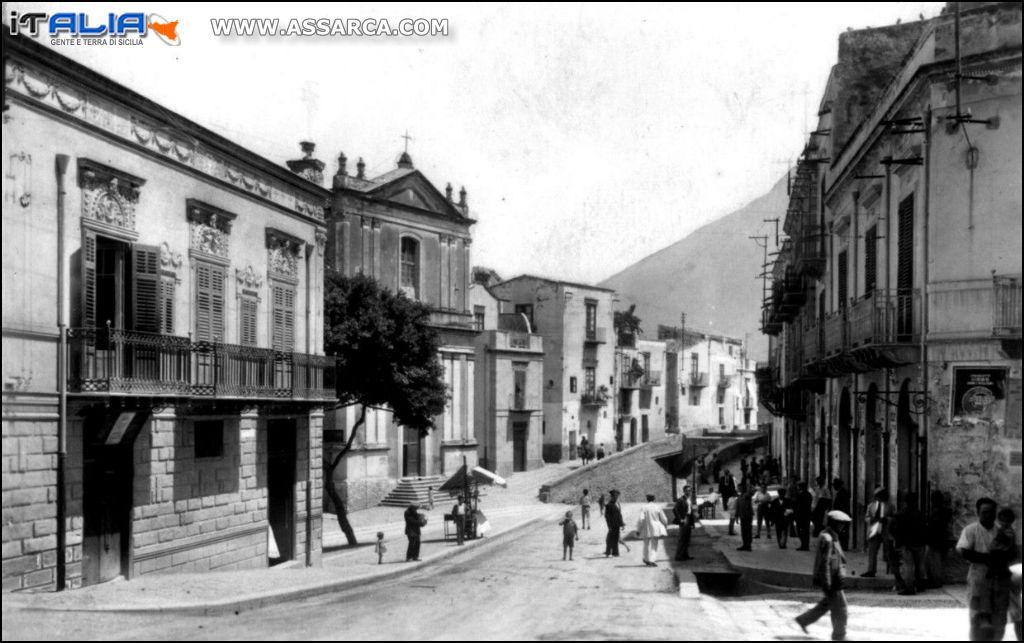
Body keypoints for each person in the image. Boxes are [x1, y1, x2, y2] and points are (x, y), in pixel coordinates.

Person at [957, 497, 1011, 641]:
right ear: (978, 512)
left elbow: (1012, 553)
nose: (989, 515)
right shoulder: (970, 530)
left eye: (992, 512)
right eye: (985, 512)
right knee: (977, 619)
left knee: (999, 620)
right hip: (978, 581)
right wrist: (989, 558)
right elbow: (964, 552)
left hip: (999, 582)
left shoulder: (1002, 531)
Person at [795, 510, 852, 641]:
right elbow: (825, 562)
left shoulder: (832, 536)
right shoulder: (827, 538)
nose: (843, 527)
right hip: (831, 580)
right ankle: (839, 635)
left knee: (827, 605)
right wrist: (828, 583)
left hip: (834, 578)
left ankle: (803, 620)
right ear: (834, 524)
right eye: (841, 524)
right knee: (841, 610)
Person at [891, 491, 928, 595]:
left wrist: (898, 539)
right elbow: (925, 528)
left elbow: (893, 529)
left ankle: (909, 588)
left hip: (907, 543)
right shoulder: (920, 514)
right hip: (919, 542)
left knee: (908, 566)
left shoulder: (900, 514)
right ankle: (920, 585)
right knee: (920, 565)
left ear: (905, 501)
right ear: (916, 501)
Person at [863, 488, 895, 579]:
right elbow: (867, 517)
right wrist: (871, 520)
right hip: (874, 529)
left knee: (889, 550)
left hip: (885, 529)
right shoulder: (871, 506)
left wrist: (887, 520)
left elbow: (894, 517)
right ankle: (871, 570)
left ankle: (892, 569)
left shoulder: (890, 506)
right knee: (872, 550)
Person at [925, 489, 953, 589]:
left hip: (936, 539)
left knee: (935, 562)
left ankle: (936, 581)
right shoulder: (946, 511)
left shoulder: (937, 512)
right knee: (938, 561)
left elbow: (934, 526)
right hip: (942, 538)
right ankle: (936, 580)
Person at [636, 494, 669, 567]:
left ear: (647, 499)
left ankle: (646, 559)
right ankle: (652, 560)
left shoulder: (644, 507)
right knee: (654, 545)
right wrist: (665, 526)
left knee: (646, 544)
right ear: (654, 499)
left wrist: (638, 530)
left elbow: (641, 519)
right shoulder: (658, 507)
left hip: (646, 528)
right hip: (655, 528)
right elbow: (664, 519)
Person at [673, 484, 693, 561]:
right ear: (684, 491)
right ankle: (678, 556)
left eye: (690, 490)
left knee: (687, 538)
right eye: (687, 491)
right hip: (684, 519)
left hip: (689, 518)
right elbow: (675, 509)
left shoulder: (689, 499)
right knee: (682, 538)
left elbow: (690, 510)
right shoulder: (681, 499)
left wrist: (692, 522)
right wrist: (680, 519)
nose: (689, 492)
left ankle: (685, 555)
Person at [604, 489, 625, 557]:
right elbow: (607, 517)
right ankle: (608, 552)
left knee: (616, 539)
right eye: (615, 496)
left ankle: (615, 552)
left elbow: (619, 515)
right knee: (610, 539)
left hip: (617, 524)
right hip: (612, 525)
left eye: (617, 496)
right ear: (612, 496)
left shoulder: (617, 504)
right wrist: (609, 526)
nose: (616, 497)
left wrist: (622, 523)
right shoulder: (609, 505)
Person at [832, 478, 851, 550]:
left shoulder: (842, 493)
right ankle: (843, 545)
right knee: (841, 530)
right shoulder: (841, 492)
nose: (833, 487)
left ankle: (844, 546)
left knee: (842, 530)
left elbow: (842, 506)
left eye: (834, 485)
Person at [736, 483, 755, 551]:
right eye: (738, 488)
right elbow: (737, 507)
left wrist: (749, 484)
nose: (739, 489)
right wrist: (736, 516)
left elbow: (752, 491)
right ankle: (745, 544)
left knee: (748, 531)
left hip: (748, 516)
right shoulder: (739, 497)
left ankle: (748, 545)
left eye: (740, 487)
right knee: (743, 531)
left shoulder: (747, 495)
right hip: (742, 516)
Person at [795, 481, 814, 551]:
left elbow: (797, 505)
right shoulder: (809, 495)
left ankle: (804, 544)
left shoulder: (800, 495)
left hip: (801, 515)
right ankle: (806, 545)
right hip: (807, 515)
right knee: (806, 530)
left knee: (800, 530)